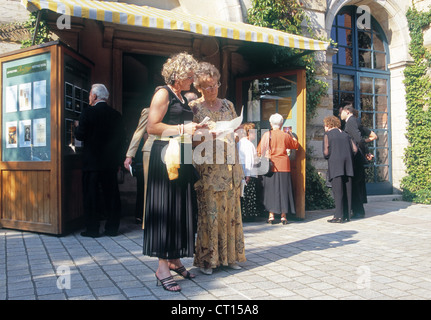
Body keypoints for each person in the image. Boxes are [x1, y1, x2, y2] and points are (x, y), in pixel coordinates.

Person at [143, 52, 201, 292]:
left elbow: (185, 129)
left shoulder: (182, 97)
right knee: (166, 210)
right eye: (189, 76)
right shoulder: (162, 93)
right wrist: (182, 127)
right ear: (177, 76)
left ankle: (175, 259)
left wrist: (201, 130)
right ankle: (162, 268)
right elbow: (152, 126)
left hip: (183, 155)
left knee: (181, 209)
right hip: (167, 156)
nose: (192, 81)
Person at [190, 62, 246, 275]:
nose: (213, 90)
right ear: (199, 88)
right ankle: (209, 260)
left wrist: (239, 133)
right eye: (208, 87)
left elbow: (237, 128)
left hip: (230, 166)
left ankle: (231, 257)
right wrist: (206, 136)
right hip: (208, 169)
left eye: (216, 85)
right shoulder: (194, 107)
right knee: (210, 215)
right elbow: (189, 139)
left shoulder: (228, 105)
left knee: (230, 213)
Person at [74, 83, 126, 238]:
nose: (89, 97)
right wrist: (118, 161)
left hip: (92, 163)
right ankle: (112, 229)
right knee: (112, 195)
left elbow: (80, 136)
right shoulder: (116, 115)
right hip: (110, 163)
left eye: (90, 94)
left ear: (94, 96)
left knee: (91, 195)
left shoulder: (87, 112)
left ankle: (92, 229)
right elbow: (122, 140)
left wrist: (77, 126)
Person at [257, 113, 299, 225]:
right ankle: (283, 216)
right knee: (284, 191)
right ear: (281, 124)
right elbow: (295, 145)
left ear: (271, 123)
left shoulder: (267, 134)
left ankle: (271, 216)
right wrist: (291, 134)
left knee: (270, 191)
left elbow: (260, 150)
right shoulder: (285, 135)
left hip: (271, 166)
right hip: (284, 165)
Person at [340, 104, 374, 219]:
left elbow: (358, 139)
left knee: (355, 184)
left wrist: (364, 151)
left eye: (342, 112)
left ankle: (359, 211)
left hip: (355, 158)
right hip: (357, 157)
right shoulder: (353, 121)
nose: (340, 115)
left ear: (347, 112)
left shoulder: (351, 121)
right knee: (356, 184)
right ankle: (357, 210)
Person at [323, 116, 357, 223]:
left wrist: (330, 157)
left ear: (328, 125)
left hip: (336, 165)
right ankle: (347, 215)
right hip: (348, 165)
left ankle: (338, 216)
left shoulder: (328, 134)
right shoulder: (346, 134)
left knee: (338, 192)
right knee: (348, 191)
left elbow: (326, 152)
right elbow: (355, 149)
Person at [124, 107, 149, 224]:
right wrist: (130, 155)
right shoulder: (148, 111)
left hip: (173, 155)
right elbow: (138, 133)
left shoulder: (176, 110)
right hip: (151, 155)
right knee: (145, 187)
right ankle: (143, 216)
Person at [237, 123, 261, 219]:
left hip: (241, 171)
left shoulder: (239, 143)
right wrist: (248, 174)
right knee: (248, 194)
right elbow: (248, 160)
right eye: (253, 132)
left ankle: (243, 214)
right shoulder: (248, 144)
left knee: (242, 193)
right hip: (247, 171)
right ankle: (248, 214)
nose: (255, 135)